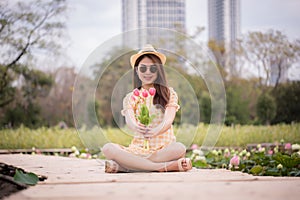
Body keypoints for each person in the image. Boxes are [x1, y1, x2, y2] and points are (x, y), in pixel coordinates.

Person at [102, 44, 192, 173]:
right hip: (138, 149)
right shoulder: (131, 97)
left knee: (180, 148)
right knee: (107, 148)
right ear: (137, 71)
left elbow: (168, 120)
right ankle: (161, 167)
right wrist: (136, 126)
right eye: (143, 68)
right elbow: (130, 119)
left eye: (153, 68)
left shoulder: (169, 93)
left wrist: (156, 130)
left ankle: (128, 166)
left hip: (163, 149)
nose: (148, 72)